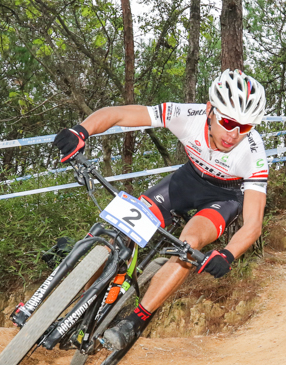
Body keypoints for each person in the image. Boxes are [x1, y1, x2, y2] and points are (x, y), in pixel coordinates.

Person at [53, 69, 268, 350]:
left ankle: (136, 321)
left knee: (188, 246)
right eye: (228, 121)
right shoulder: (187, 116)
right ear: (210, 110)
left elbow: (253, 223)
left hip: (224, 197)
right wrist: (80, 131)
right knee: (123, 228)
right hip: (186, 182)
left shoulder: (253, 153)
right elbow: (120, 114)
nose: (234, 134)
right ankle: (84, 302)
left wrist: (228, 254)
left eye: (245, 127)